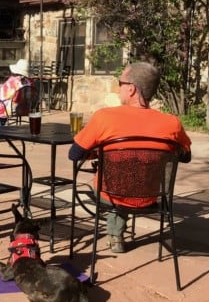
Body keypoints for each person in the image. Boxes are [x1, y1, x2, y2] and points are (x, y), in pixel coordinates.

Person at [67, 61, 192, 253]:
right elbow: (185, 156)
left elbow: (74, 154)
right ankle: (116, 232)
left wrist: (100, 151)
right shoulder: (171, 123)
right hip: (150, 197)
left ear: (132, 89)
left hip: (110, 195)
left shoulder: (104, 117)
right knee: (132, 173)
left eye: (120, 83)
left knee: (114, 182)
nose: (119, 88)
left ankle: (115, 234)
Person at [0, 58, 34, 126]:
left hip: (13, 109)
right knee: (1, 106)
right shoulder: (30, 82)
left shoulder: (12, 81)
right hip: (26, 108)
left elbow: (2, 95)